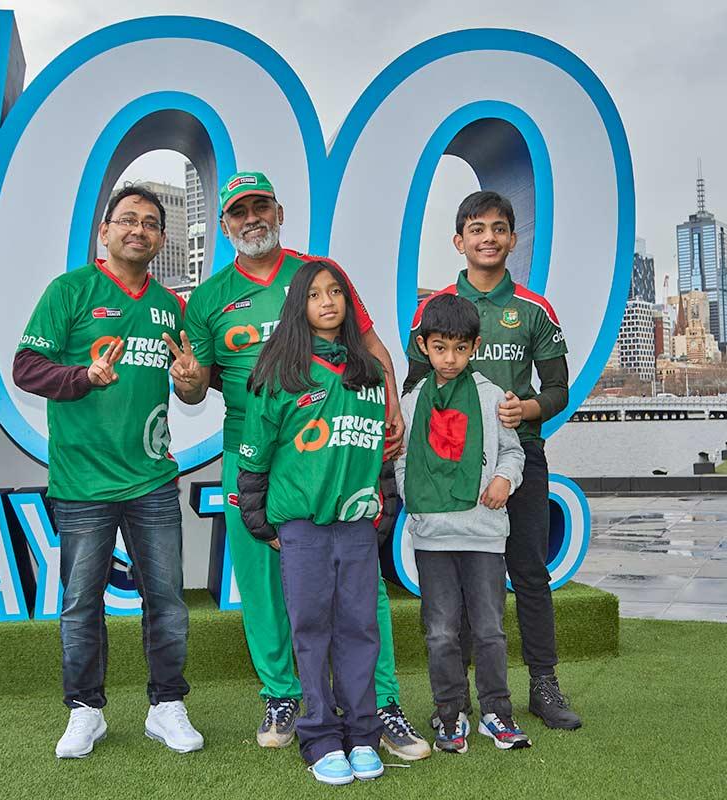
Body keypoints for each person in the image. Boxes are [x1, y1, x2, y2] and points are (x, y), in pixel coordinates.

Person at [167, 172, 430, 758]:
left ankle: (380, 701)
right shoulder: (208, 298)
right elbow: (195, 387)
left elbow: (372, 344)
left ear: (280, 212)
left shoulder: (317, 275)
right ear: (225, 223)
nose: (251, 218)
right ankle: (283, 693)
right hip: (252, 454)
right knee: (262, 582)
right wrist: (185, 385)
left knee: (363, 583)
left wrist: (390, 402)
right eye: (239, 211)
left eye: (261, 206)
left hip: (336, 447)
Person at [13, 184, 203, 758]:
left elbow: (188, 391)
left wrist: (192, 381)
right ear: (105, 230)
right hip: (82, 483)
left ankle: (166, 705)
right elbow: (26, 367)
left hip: (152, 480)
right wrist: (83, 378)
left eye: (149, 223)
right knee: (80, 602)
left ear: (162, 239)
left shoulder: (172, 306)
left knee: (167, 600)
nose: (137, 230)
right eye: (127, 220)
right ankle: (85, 711)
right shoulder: (70, 290)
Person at [403, 190, 582, 730]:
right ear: (459, 240)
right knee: (455, 582)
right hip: (449, 461)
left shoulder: (534, 309)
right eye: (476, 229)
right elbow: (414, 388)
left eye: (498, 228)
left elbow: (558, 389)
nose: (487, 237)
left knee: (528, 570)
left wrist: (527, 408)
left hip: (518, 455)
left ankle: (544, 687)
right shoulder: (433, 312)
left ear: (512, 238)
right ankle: (454, 704)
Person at [235, 260, 393, 785]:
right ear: (297, 305)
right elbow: (254, 455)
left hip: (354, 527)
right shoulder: (278, 371)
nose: (327, 302)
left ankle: (364, 733)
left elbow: (379, 455)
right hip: (300, 528)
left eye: (337, 292)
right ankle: (320, 736)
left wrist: (382, 506)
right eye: (315, 294)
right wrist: (261, 521)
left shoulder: (367, 372)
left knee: (360, 629)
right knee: (311, 629)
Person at [395, 293, 531, 752]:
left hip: (485, 534)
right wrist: (414, 502)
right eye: (439, 347)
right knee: (440, 631)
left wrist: (502, 480)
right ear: (424, 347)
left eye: (458, 348)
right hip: (432, 536)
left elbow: (514, 452)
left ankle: (497, 711)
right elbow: (403, 459)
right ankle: (449, 713)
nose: (449, 358)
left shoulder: (493, 397)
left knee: (490, 628)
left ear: (474, 347)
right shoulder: (413, 403)